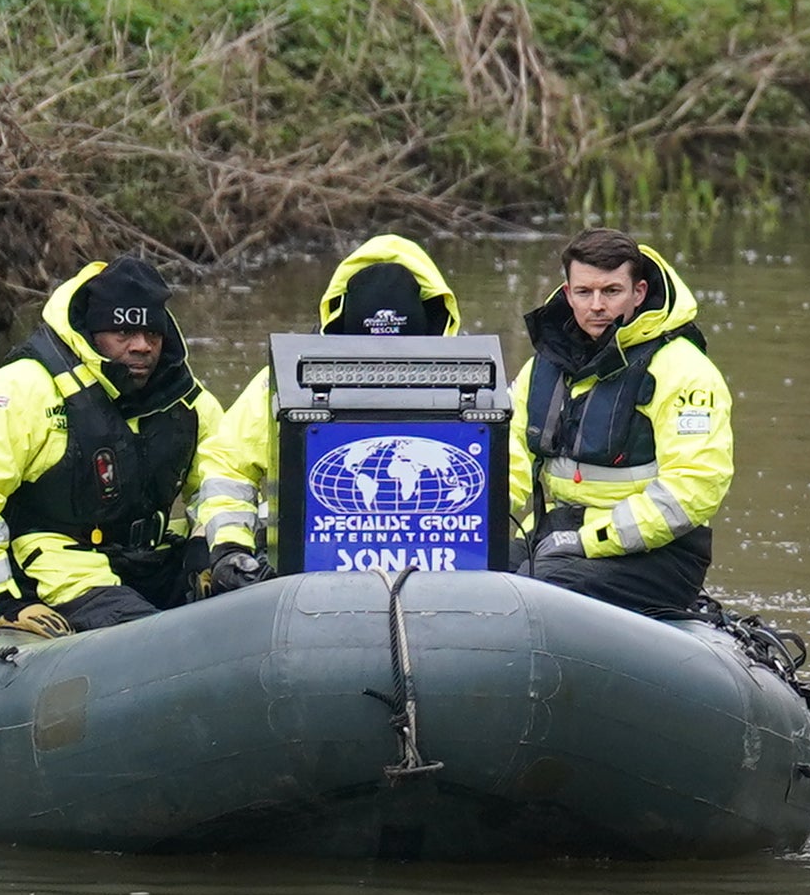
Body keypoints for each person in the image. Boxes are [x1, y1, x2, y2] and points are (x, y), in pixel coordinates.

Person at [0, 256, 210, 635]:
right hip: (59, 570)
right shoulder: (25, 387)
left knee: (248, 580)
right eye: (123, 334)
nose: (141, 346)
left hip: (151, 561)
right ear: (92, 333)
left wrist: (207, 546)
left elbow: (222, 478)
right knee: (144, 637)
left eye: (152, 334)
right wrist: (0, 599)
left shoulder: (185, 399)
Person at [187, 234, 469, 583]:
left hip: (437, 569)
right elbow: (228, 466)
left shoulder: (472, 384)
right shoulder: (283, 383)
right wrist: (231, 548)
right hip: (302, 573)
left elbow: (506, 468)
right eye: (367, 352)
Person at [509, 230, 735, 620]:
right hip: (556, 535)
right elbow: (508, 459)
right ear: (567, 293)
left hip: (657, 554)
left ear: (639, 292)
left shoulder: (683, 369)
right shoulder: (541, 368)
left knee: (531, 589)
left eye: (611, 291)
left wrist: (590, 541)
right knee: (472, 571)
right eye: (584, 293)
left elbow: (693, 488)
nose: (596, 306)